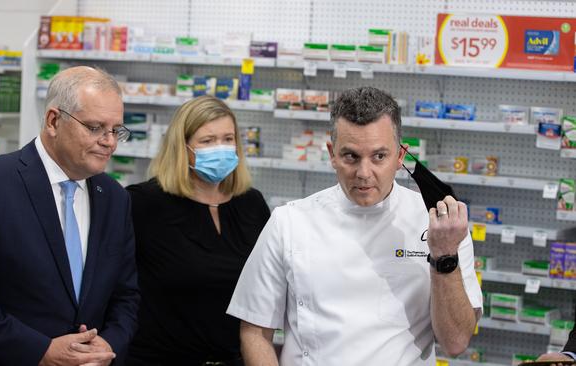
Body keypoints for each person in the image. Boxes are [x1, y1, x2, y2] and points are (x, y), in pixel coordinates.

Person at [227, 87, 483, 365]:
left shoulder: (440, 227)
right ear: (332, 154)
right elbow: (255, 331)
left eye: (378, 157)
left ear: (400, 156)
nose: (363, 173)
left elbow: (456, 342)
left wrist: (444, 255)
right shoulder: (289, 222)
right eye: (351, 156)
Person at [0, 66, 140, 365]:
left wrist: (107, 345)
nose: (110, 142)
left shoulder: (115, 197)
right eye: (95, 128)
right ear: (54, 120)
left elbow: (126, 295)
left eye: (116, 130)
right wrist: (39, 351)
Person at [125, 95, 270, 366]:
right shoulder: (143, 204)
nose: (221, 148)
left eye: (228, 139)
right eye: (207, 141)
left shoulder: (252, 205)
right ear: (183, 148)